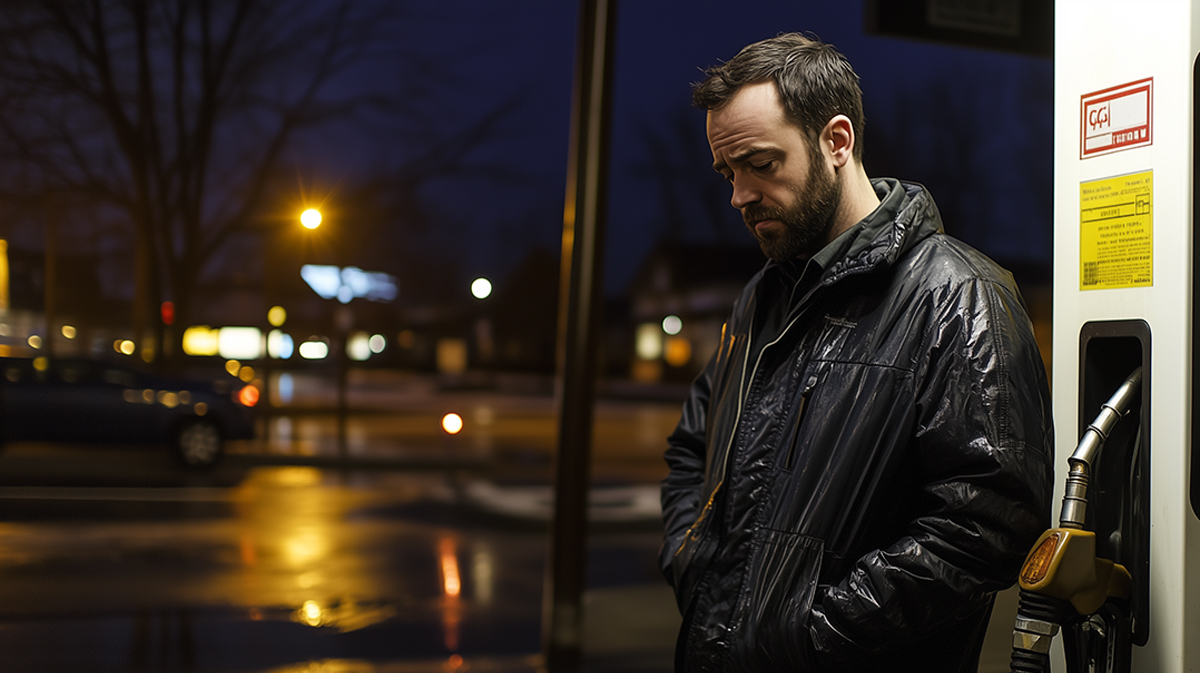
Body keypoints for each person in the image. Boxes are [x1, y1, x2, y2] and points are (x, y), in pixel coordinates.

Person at [659, 33, 1054, 672]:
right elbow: (690, 447)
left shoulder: (957, 297)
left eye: (761, 164)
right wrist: (694, 565)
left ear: (836, 142)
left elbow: (988, 523)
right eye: (728, 173)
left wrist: (806, 632)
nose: (739, 195)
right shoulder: (763, 299)